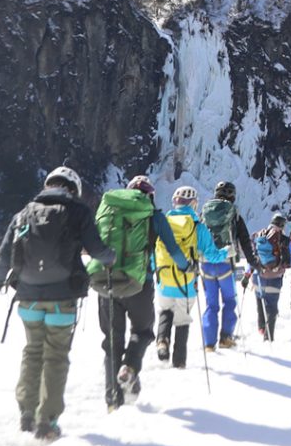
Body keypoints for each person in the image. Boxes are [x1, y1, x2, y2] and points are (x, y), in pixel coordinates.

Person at [0, 166, 115, 442]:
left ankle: (26, 413)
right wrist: (110, 258)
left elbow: (4, 254)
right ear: (73, 189)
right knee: (56, 356)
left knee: (32, 351)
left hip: (28, 298)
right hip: (62, 299)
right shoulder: (78, 212)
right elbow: (96, 249)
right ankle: (47, 420)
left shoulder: (24, 213)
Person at [93, 175, 189, 411]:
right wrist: (187, 267)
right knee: (143, 332)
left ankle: (112, 401)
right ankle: (131, 367)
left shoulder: (110, 211)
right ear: (150, 196)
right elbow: (172, 248)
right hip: (139, 284)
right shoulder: (154, 216)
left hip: (106, 282)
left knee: (112, 340)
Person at [154, 186, 229, 369]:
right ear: (194, 204)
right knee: (182, 320)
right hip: (186, 282)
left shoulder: (162, 223)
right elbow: (211, 255)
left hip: (163, 279)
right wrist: (226, 252)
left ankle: (162, 339)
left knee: (165, 311)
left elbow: (153, 252)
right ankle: (179, 362)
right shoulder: (198, 227)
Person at [199, 180, 259, 351]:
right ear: (232, 196)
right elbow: (245, 240)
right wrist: (252, 261)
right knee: (229, 301)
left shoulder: (205, 211)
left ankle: (209, 344)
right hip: (226, 263)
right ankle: (226, 337)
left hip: (206, 264)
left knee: (211, 304)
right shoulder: (234, 214)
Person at [250, 213, 291, 341]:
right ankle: (269, 337)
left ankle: (261, 327)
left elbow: (252, 257)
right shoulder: (284, 239)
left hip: (258, 277)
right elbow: (288, 262)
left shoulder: (259, 235)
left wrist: (248, 274)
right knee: (272, 307)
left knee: (260, 302)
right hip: (274, 277)